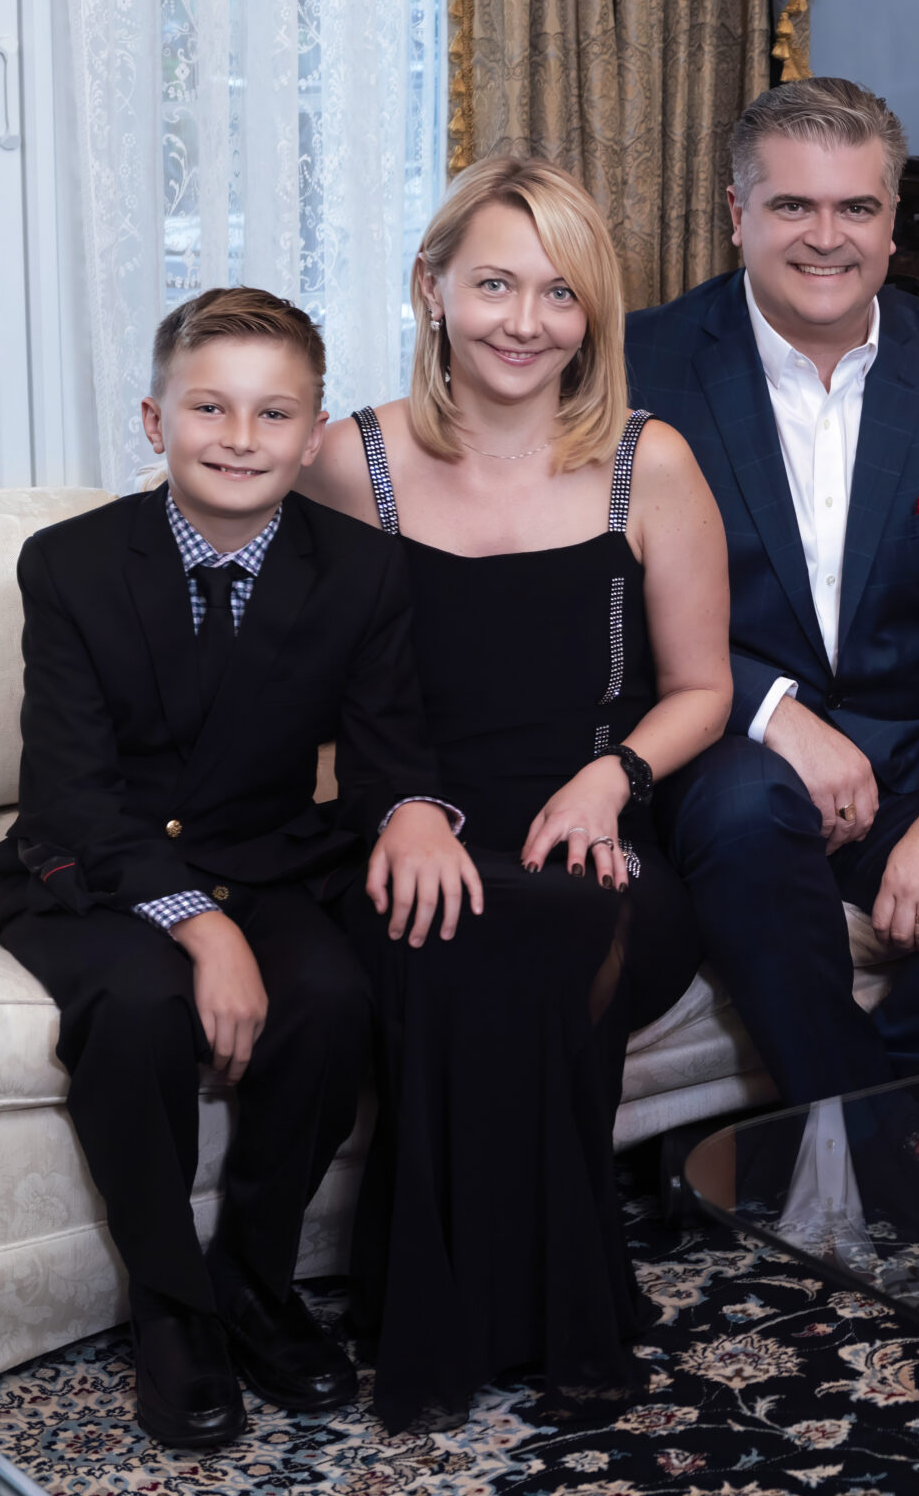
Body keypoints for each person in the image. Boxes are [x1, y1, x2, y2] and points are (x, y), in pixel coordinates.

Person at [0, 289, 475, 1447]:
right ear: (156, 420)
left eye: (273, 414)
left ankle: (254, 1281)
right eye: (210, 407)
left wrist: (413, 809)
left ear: (313, 437)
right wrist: (200, 927)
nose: (239, 438)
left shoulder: (361, 569)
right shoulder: (69, 564)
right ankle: (173, 1310)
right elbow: (70, 790)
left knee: (330, 996)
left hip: (266, 856)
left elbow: (387, 752)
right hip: (94, 862)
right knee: (142, 1007)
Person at [626, 78, 919, 1231]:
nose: (826, 238)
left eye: (855, 208)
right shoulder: (644, 362)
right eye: (793, 206)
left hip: (917, 744)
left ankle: (808, 1134)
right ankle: (887, 1153)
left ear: (895, 222)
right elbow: (607, 592)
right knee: (746, 816)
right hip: (734, 735)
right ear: (736, 215)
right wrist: (773, 710)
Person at [302, 158, 731, 1430]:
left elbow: (702, 687)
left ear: (591, 314)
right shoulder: (348, 463)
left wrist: (614, 777)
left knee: (542, 925)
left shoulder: (645, 465)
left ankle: (430, 1313)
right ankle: (530, 1313)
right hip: (399, 824)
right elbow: (306, 710)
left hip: (591, 832)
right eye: (493, 283)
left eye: (558, 292)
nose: (523, 321)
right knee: (444, 933)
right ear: (432, 290)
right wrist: (398, 808)